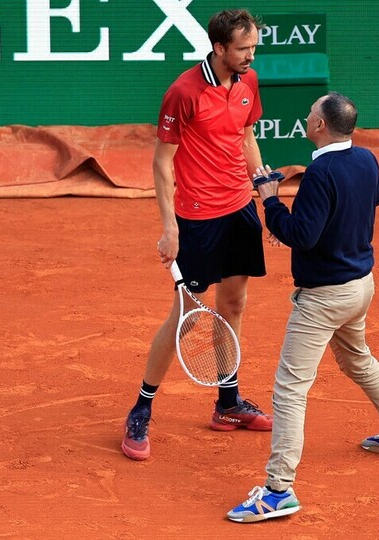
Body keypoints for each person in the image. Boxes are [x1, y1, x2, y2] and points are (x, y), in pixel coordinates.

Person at [226, 92, 379, 523]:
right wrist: (310, 225)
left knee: (289, 389)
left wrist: (270, 198)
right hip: (360, 286)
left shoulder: (320, 172)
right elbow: (369, 201)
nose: (305, 117)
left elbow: (303, 234)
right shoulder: (367, 159)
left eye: (310, 114)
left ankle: (278, 490)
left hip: (323, 298)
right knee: (358, 359)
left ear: (320, 126)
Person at [121, 9, 273, 461]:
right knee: (184, 317)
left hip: (240, 209)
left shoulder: (249, 81)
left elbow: (246, 139)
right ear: (219, 48)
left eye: (253, 48)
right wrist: (170, 227)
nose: (250, 56)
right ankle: (141, 408)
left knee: (234, 305)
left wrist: (264, 198)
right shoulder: (183, 92)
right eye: (243, 49)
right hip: (198, 218)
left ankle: (227, 403)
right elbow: (161, 163)